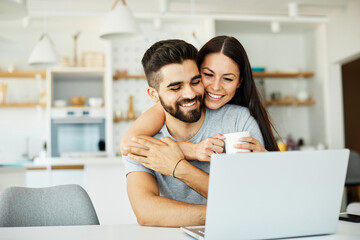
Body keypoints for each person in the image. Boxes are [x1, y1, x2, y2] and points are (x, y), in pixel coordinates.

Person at [123, 39, 264, 227]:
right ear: (153, 95)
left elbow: (255, 199)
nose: (190, 94)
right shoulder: (143, 143)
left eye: (195, 81)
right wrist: (229, 212)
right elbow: (146, 212)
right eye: (176, 87)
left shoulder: (238, 121)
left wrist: (178, 166)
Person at [121, 36, 278, 162]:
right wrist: (192, 149)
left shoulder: (241, 117)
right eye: (208, 75)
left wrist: (264, 159)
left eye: (228, 79)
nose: (216, 87)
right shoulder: (171, 107)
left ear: (239, 82)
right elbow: (128, 144)